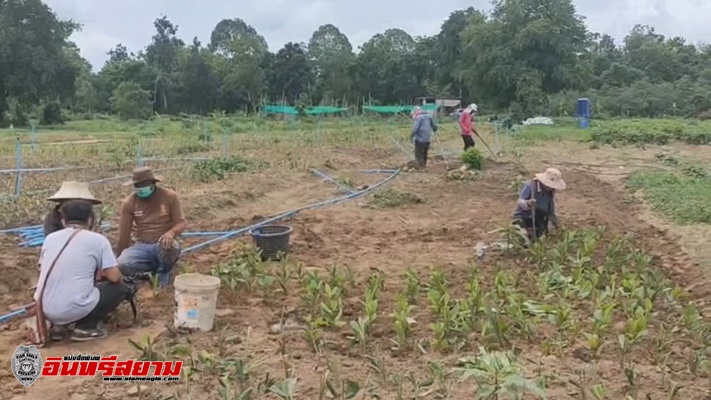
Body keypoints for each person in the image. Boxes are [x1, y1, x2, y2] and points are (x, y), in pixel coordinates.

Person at [34, 200, 128, 342]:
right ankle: (85, 327)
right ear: (90, 219)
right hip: (73, 308)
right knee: (118, 288)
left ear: (64, 220)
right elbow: (114, 277)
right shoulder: (98, 240)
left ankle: (58, 327)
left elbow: (43, 268)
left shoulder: (50, 239)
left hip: (44, 309)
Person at [116, 167, 187, 287]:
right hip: (142, 245)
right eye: (137, 185)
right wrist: (117, 258)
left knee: (169, 247)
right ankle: (153, 266)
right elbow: (124, 234)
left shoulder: (169, 197)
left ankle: (163, 271)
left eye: (144, 184)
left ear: (153, 182)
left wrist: (171, 233)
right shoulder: (129, 203)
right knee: (122, 264)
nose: (140, 188)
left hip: (164, 242)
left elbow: (181, 222)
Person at [512, 168, 565, 241]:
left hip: (540, 219)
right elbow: (520, 201)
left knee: (539, 239)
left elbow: (551, 211)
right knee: (523, 238)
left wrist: (558, 226)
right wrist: (529, 203)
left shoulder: (551, 192)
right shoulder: (531, 185)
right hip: (525, 216)